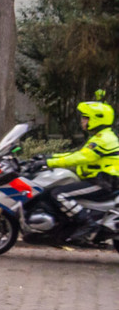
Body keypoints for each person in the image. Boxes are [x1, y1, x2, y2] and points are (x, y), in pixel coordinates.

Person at [43, 97, 119, 226]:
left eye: (85, 117)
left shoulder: (104, 139)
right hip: (98, 179)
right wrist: (49, 157)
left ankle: (87, 223)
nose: (82, 121)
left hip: (103, 181)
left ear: (97, 118)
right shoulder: (101, 136)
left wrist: (49, 163)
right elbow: (78, 154)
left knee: (59, 194)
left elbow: (80, 158)